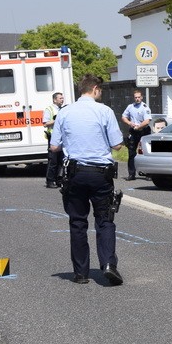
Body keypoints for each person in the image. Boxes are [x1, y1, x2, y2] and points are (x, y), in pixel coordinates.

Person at [49, 75, 125, 286]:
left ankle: (81, 273)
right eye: (100, 90)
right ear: (94, 89)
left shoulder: (64, 112)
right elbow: (117, 144)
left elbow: (54, 147)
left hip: (74, 174)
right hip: (101, 174)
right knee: (105, 220)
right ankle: (108, 265)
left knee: (78, 223)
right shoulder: (104, 111)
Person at [121, 90, 152, 181]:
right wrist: (130, 123)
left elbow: (147, 121)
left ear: (141, 97)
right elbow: (123, 117)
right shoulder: (130, 107)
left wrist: (139, 127)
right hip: (134, 131)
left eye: (139, 97)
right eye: (136, 97)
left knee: (146, 152)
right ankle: (131, 174)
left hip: (143, 131)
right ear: (133, 98)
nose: (137, 99)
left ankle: (149, 174)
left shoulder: (145, 107)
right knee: (131, 153)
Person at [43, 91, 65, 188]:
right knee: (53, 160)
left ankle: (59, 179)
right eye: (60, 98)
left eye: (62, 98)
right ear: (54, 99)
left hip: (62, 137)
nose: (62, 100)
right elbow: (45, 123)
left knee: (62, 160)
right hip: (53, 137)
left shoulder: (63, 109)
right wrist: (56, 120)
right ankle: (50, 181)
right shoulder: (49, 109)